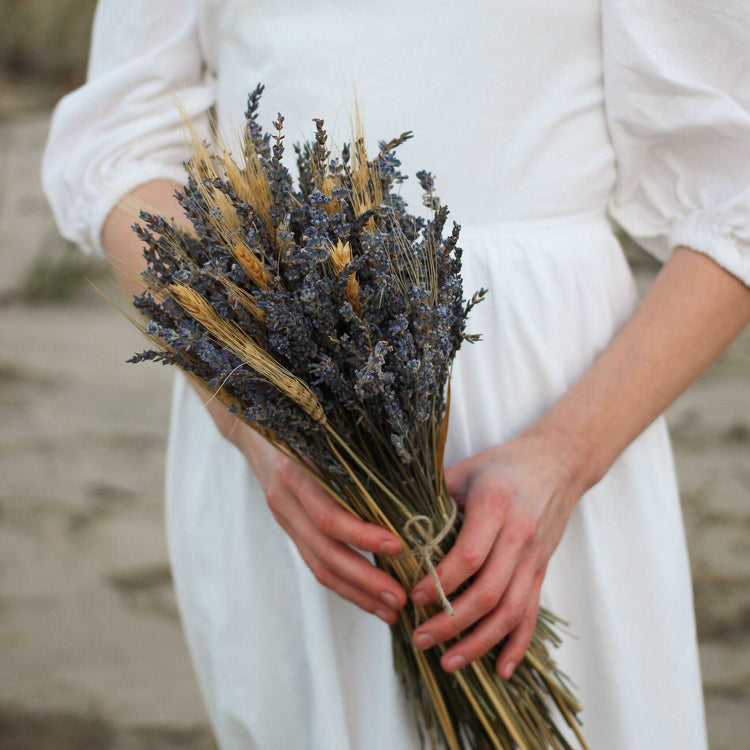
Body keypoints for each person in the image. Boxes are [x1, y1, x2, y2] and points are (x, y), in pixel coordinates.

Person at [42, 1, 750, 747]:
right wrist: (253, 423)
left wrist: (568, 455)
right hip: (292, 426)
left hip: (567, 400)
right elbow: (123, 146)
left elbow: (734, 187)